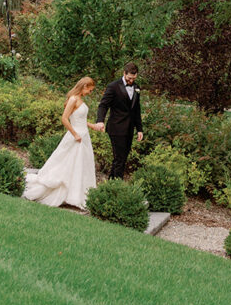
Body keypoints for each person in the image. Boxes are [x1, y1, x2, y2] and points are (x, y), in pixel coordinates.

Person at [23, 76, 104, 208]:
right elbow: (65, 119)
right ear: (84, 86)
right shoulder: (73, 99)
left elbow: (81, 120)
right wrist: (75, 134)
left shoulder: (79, 100)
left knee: (81, 166)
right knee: (67, 165)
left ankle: (77, 194)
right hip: (76, 137)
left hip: (84, 137)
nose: (90, 93)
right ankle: (65, 193)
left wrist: (93, 126)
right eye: (90, 90)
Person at [96, 62, 144, 180]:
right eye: (129, 78)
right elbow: (103, 105)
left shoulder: (137, 87)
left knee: (122, 158)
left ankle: (112, 184)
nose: (131, 81)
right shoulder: (113, 86)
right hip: (116, 127)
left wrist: (139, 129)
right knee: (120, 158)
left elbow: (136, 109)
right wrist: (100, 120)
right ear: (124, 73)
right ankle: (118, 186)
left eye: (133, 78)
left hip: (129, 128)